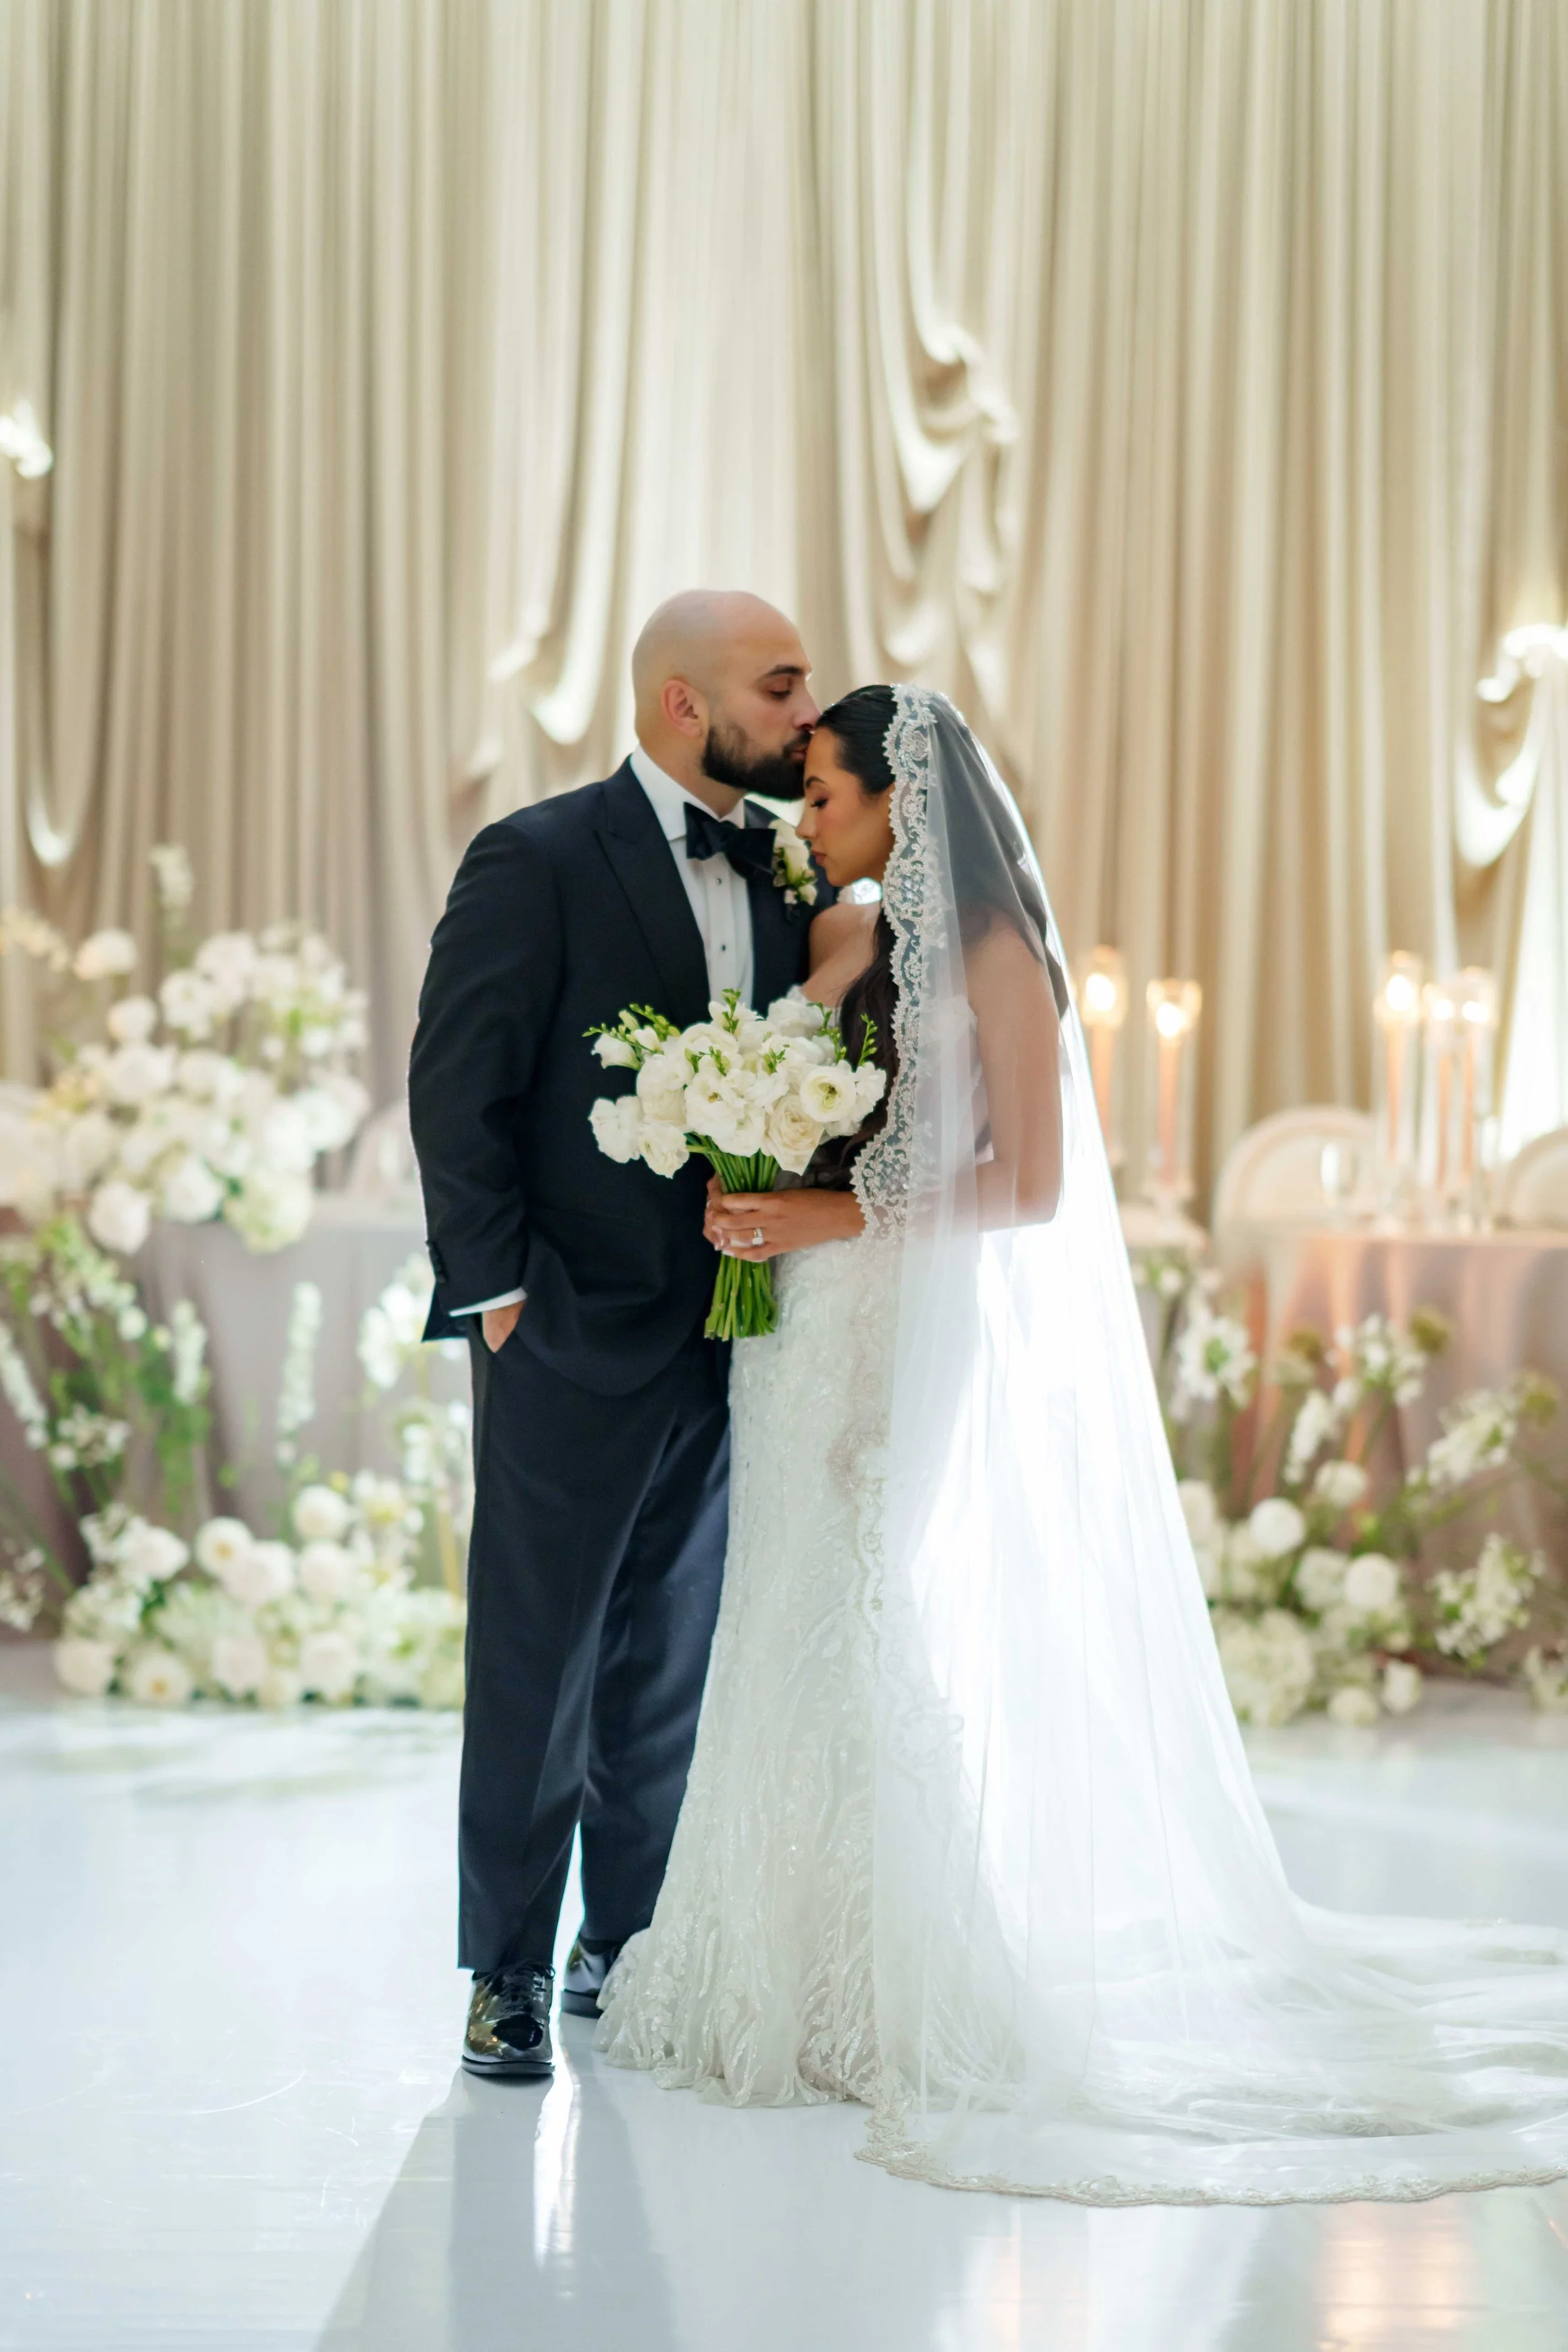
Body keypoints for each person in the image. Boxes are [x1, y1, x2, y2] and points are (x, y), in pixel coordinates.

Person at [596, 682, 1568, 2206]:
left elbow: (1030, 1186)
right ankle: (755, 1958)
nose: (810, 830)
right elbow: (807, 1111)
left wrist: (823, 1210)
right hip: (793, 1324)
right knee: (771, 1608)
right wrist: (744, 1176)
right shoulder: (842, 937)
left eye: (830, 799)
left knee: (850, 1614)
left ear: (902, 800)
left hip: (893, 1316)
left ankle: (878, 1979)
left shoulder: (995, 959)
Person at [409, 590, 829, 2079]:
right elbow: (457, 1084)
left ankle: (627, 1942)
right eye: (779, 688)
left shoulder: (795, 871)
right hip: (565, 1327)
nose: (802, 714)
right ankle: (506, 1970)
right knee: (540, 1654)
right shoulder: (534, 857)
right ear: (678, 704)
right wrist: (499, 1295)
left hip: (740, 1333)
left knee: (671, 1658)